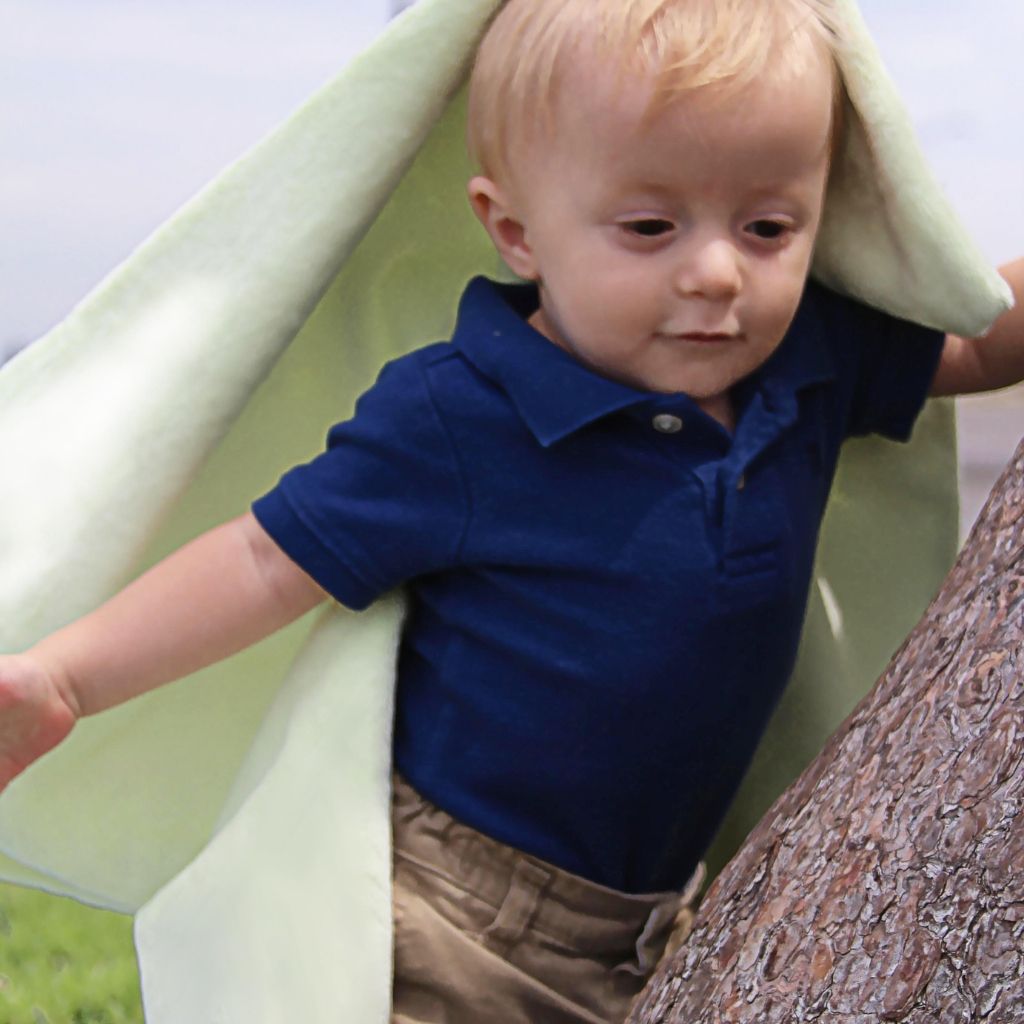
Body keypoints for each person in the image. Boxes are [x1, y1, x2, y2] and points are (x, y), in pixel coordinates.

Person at [1, 0, 1022, 1021]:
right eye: (650, 227)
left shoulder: (806, 362)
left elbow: (977, 340)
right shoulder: (463, 413)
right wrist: (65, 678)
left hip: (654, 926)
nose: (718, 272)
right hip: (452, 919)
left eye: (768, 227)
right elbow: (266, 560)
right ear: (516, 230)